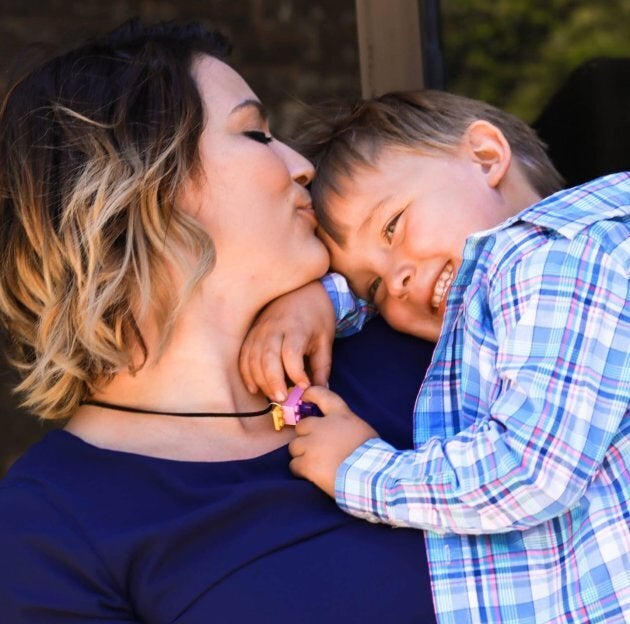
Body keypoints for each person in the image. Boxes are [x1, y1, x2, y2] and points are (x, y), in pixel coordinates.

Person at [0, 22, 439, 622]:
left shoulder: (415, 340)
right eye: (256, 133)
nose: (301, 165)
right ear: (145, 183)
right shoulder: (50, 523)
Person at [239, 90, 630, 623]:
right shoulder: (512, 277)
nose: (395, 282)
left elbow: (531, 470)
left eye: (393, 226)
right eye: (373, 286)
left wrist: (362, 470)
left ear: (486, 157)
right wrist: (317, 300)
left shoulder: (558, 257)